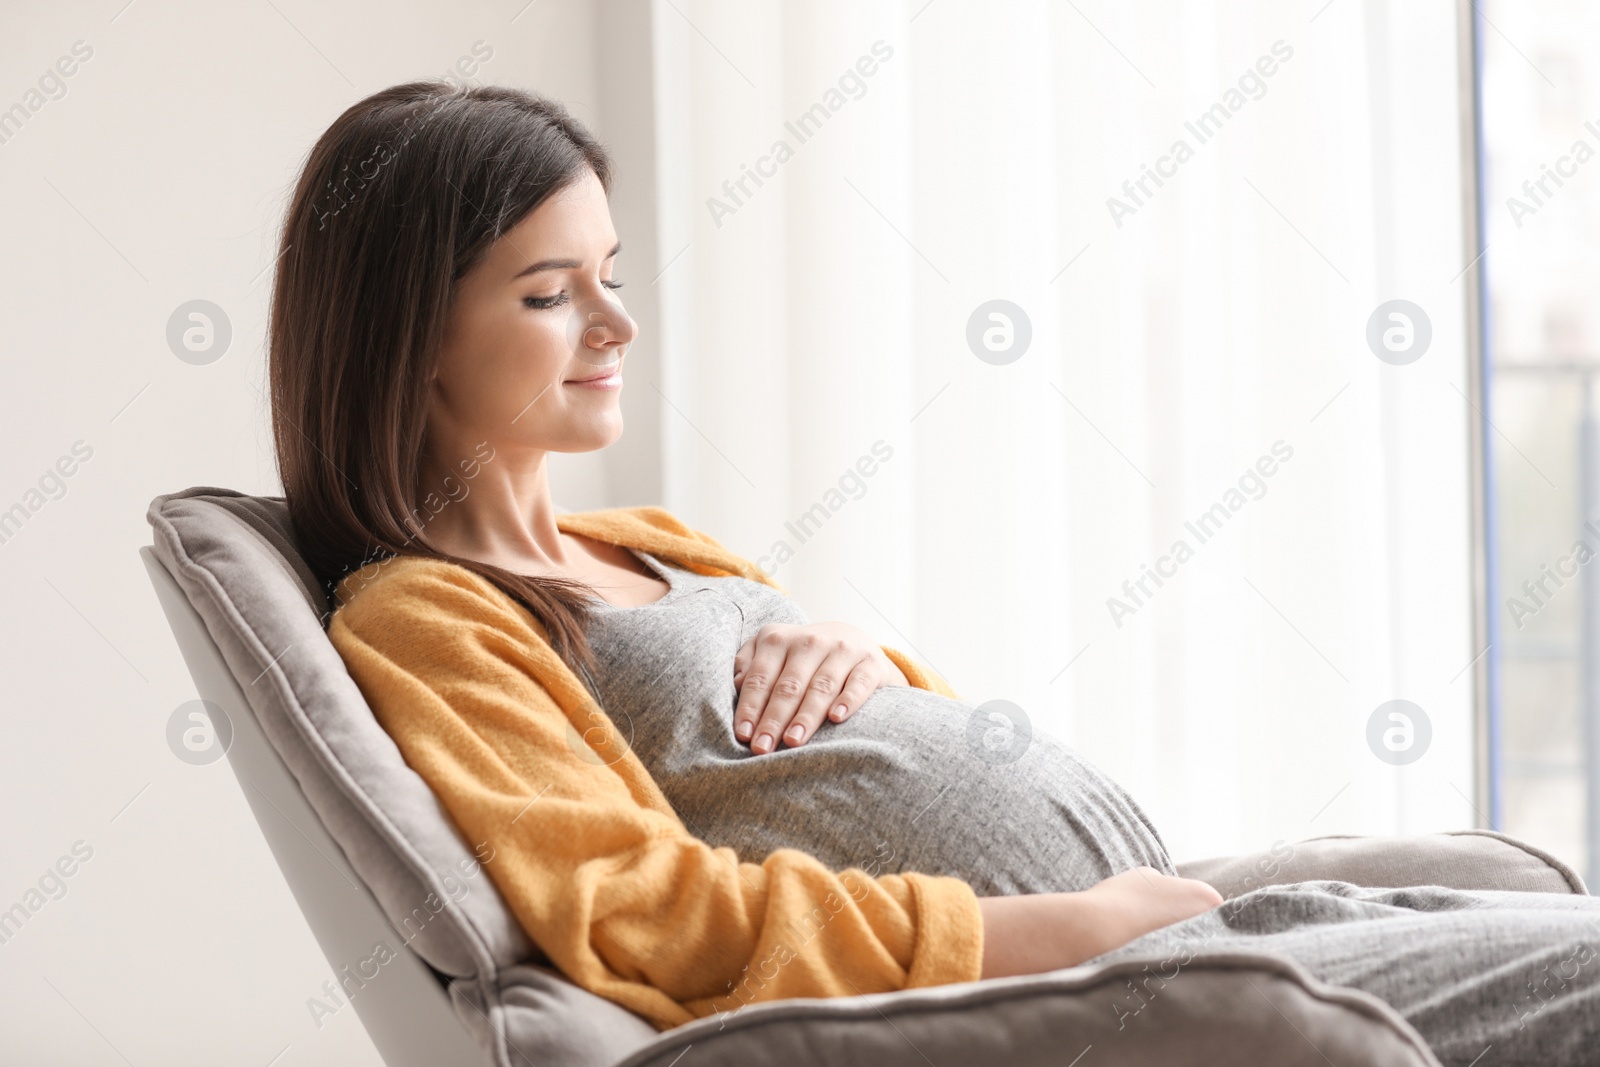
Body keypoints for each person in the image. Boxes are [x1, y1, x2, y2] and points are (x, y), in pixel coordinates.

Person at [271, 82, 1600, 1063]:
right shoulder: (429, 613)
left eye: (611, 273)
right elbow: (644, 912)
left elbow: (842, 767)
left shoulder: (644, 542)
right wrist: (1064, 934)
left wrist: (863, 662)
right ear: (412, 336)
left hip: (1143, 927)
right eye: (550, 292)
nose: (617, 323)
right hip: (1073, 990)